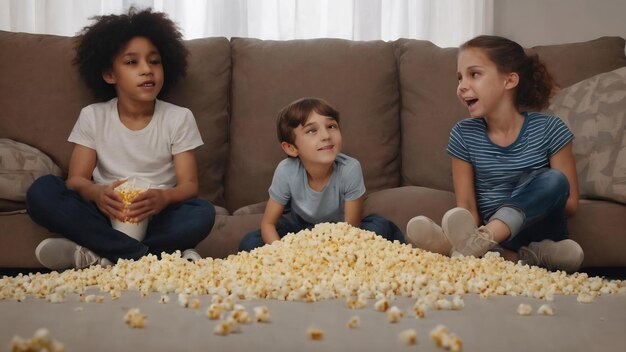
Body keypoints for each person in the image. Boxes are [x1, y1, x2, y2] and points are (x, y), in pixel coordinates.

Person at [26, 8, 215, 270]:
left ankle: (100, 257)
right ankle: (144, 258)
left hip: (157, 215)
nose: (147, 70)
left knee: (202, 213)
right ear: (109, 74)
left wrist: (162, 198)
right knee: (42, 191)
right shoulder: (93, 116)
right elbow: (76, 180)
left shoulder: (178, 118)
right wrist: (97, 193)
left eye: (154, 61)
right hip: (105, 213)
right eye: (131, 62)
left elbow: (189, 186)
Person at [406, 35, 584, 273]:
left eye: (474, 74)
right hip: (498, 239)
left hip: (540, 228)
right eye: (459, 78)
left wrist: (514, 214)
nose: (462, 86)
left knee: (555, 179)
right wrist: (489, 228)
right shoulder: (464, 134)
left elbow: (570, 204)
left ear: (509, 80)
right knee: (567, 255)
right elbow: (467, 208)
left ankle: (461, 246)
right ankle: (522, 257)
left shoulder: (550, 129)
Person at [239, 98, 404, 251]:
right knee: (251, 242)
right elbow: (268, 224)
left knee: (380, 228)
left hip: (341, 231)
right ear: (291, 148)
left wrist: (327, 254)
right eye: (312, 131)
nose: (326, 136)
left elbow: (351, 230)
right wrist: (284, 256)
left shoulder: (350, 169)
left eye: (331, 126)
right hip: (299, 230)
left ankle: (417, 245)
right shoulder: (286, 171)